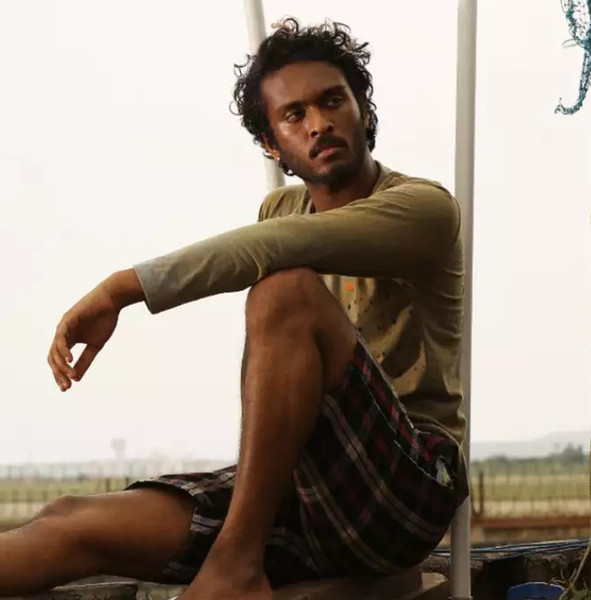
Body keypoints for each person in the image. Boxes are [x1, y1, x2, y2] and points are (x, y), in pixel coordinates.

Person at [3, 18, 468, 600]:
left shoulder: (424, 209)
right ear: (273, 144)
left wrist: (122, 289)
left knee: (284, 293)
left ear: (362, 111)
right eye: (294, 115)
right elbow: (276, 251)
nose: (319, 123)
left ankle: (236, 565)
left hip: (408, 485)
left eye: (333, 102)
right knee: (72, 521)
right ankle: (240, 554)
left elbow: (274, 251)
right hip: (305, 488)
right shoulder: (280, 208)